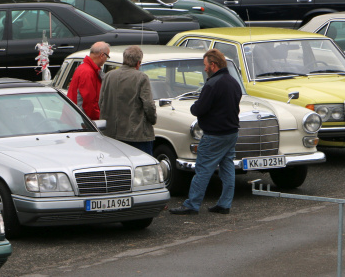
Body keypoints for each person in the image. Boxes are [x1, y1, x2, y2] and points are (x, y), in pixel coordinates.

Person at [169, 49, 241, 215]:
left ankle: (192, 204)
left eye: (206, 65)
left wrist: (194, 106)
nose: (204, 68)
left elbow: (199, 109)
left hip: (214, 134)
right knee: (227, 167)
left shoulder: (212, 84)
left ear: (213, 65)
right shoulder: (233, 82)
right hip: (231, 132)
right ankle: (224, 203)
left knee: (203, 169)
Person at [98, 45, 156, 155]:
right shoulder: (141, 77)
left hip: (111, 133)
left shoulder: (109, 76)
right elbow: (148, 105)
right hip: (136, 135)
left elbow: (101, 102)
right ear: (138, 63)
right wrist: (153, 119)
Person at [66, 41, 110, 120]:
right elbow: (89, 103)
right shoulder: (88, 72)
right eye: (107, 57)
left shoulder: (86, 69)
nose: (106, 60)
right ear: (102, 55)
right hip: (81, 121)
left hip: (75, 117)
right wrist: (98, 118)